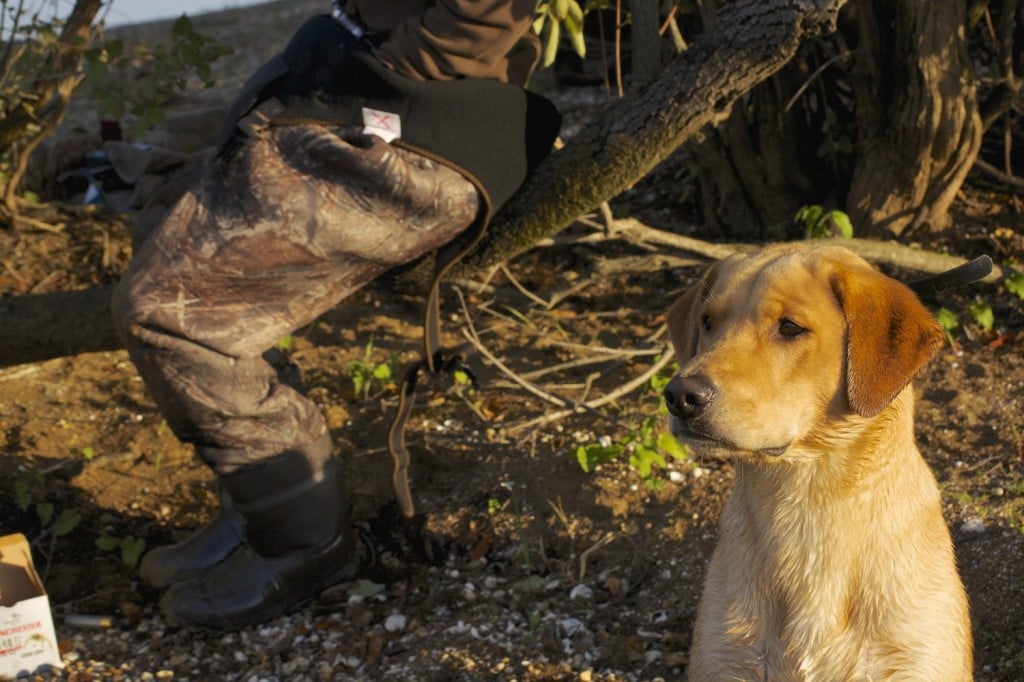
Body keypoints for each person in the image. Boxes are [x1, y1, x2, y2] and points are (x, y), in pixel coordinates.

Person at [112, 0, 560, 630]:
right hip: (373, 95)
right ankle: (259, 516)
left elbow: (478, 17)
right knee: (186, 269)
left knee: (171, 313)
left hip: (414, 125)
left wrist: (378, 71)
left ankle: (305, 547)